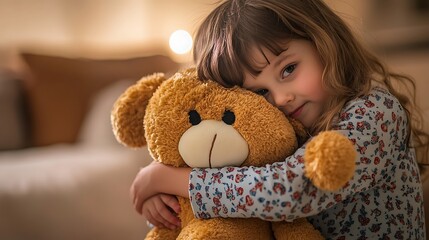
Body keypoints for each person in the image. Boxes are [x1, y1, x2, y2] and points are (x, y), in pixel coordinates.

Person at [130, 0, 429, 238]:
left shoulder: (375, 112)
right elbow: (233, 200)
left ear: (322, 41)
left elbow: (292, 190)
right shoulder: (277, 134)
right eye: (260, 92)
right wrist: (167, 201)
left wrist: (170, 178)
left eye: (288, 70)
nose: (281, 98)